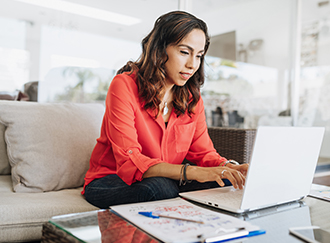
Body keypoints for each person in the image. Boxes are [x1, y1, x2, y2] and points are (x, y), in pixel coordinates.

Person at [82, 10, 248, 209]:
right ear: (160, 49)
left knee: (228, 181)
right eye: (184, 52)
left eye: (199, 56)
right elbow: (130, 161)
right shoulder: (124, 85)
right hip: (111, 181)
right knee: (160, 189)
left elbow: (204, 154)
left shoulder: (191, 99)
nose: (192, 64)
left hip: (167, 179)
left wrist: (230, 168)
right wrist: (192, 173)